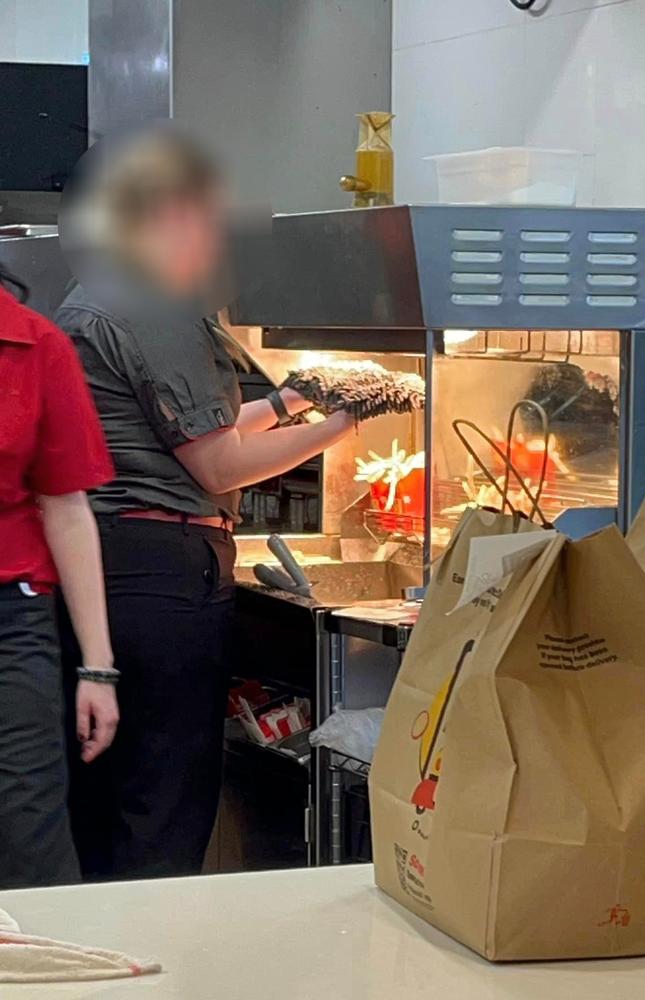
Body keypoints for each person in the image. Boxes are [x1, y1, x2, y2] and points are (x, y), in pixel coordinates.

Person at [55, 127, 358, 881]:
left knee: (106, 796)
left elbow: (175, 434)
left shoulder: (94, 295)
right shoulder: (150, 300)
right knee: (162, 798)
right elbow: (219, 467)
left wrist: (289, 402)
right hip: (156, 576)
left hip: (105, 567)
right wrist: (348, 419)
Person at [0, 267, 118, 890]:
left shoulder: (37, 344)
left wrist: (97, 668)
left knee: (28, 828)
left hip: (11, 623)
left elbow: (67, 508)